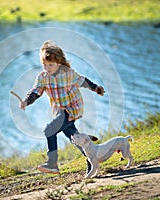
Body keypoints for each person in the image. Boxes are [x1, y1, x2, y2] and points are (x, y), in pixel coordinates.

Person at [20, 40, 105, 174]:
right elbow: (36, 92)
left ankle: (52, 163)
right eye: (44, 65)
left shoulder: (68, 74)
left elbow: (83, 81)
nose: (47, 68)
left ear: (59, 63)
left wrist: (95, 88)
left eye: (51, 65)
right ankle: (92, 158)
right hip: (59, 110)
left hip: (72, 108)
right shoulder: (43, 77)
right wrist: (26, 101)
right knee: (74, 138)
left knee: (49, 130)